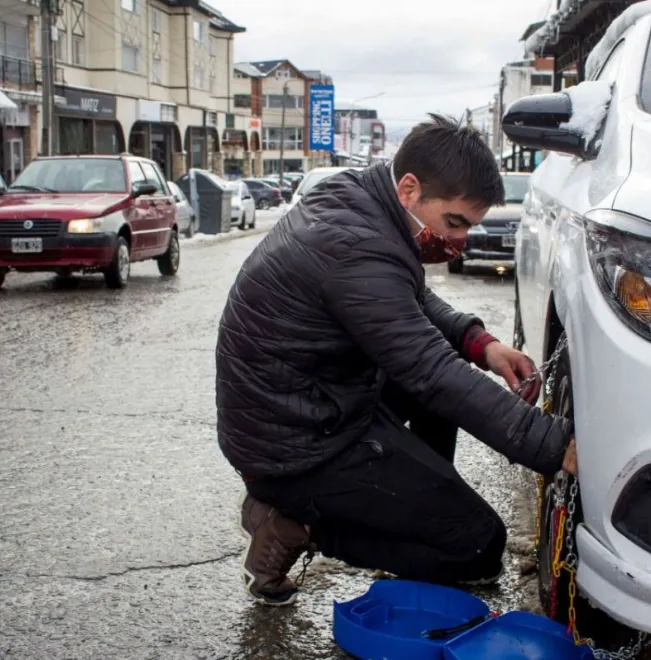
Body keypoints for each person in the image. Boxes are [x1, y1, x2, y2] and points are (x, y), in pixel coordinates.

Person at [216, 114, 577, 607]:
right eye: (454, 223)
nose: (459, 241)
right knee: (477, 546)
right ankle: (290, 524)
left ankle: (412, 505)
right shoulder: (354, 245)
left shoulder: (360, 199)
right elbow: (430, 372)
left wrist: (479, 344)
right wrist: (553, 446)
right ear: (409, 189)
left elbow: (407, 301)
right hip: (295, 449)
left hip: (311, 406)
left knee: (441, 380)